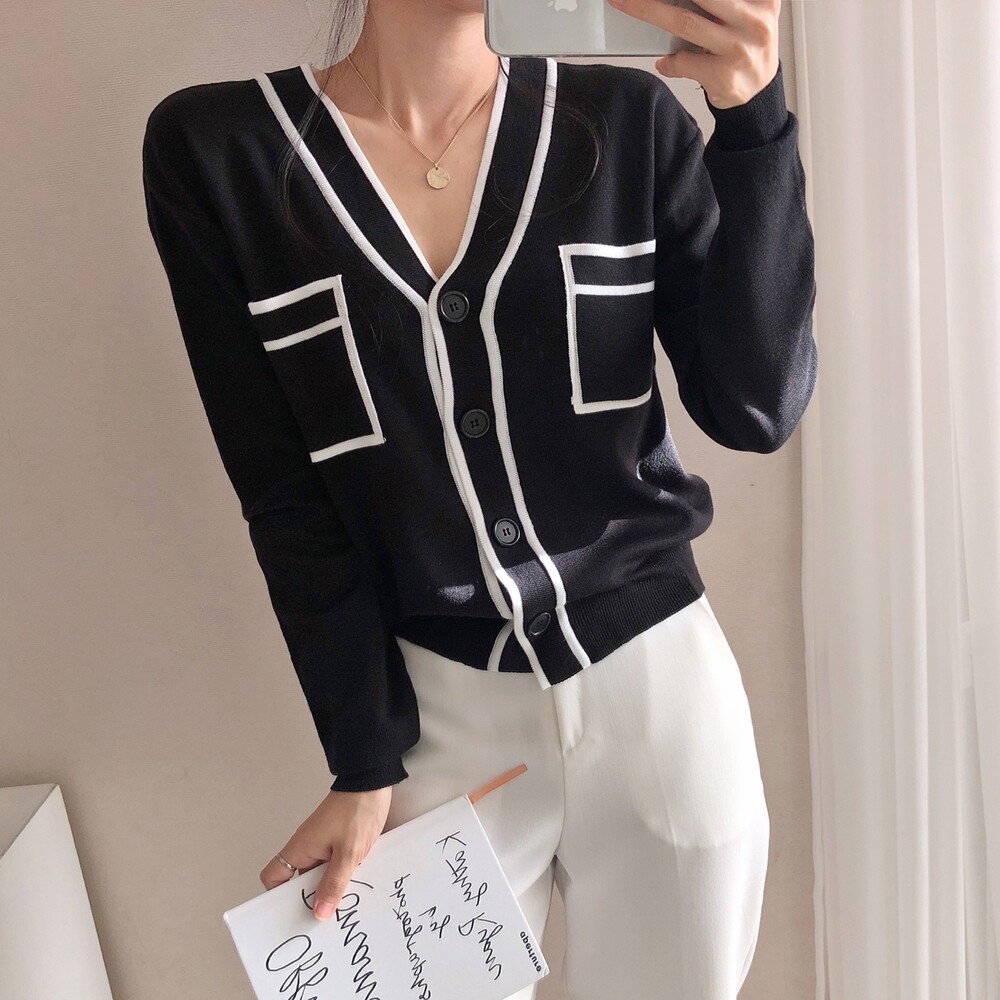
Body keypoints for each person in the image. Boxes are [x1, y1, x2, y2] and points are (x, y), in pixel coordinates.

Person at [141, 0, 815, 995]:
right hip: (436, 721)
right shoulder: (221, 154)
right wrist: (364, 757)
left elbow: (758, 406)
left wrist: (753, 120)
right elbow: (284, 495)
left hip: (659, 703)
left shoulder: (628, 123)